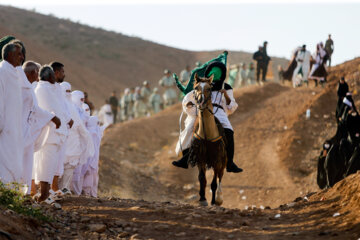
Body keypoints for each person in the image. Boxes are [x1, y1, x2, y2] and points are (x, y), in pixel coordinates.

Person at [172, 61, 243, 173]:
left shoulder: (226, 87)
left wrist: (225, 94)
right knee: (191, 128)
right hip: (201, 110)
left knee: (229, 131)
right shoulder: (202, 84)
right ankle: (185, 159)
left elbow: (232, 107)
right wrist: (189, 105)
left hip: (219, 112)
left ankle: (230, 163)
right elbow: (188, 98)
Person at [21, 61, 60, 194]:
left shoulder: (30, 88)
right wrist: (52, 117)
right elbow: (36, 110)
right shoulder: (27, 87)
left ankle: (25, 193)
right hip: (17, 131)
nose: (39, 76)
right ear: (32, 73)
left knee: (27, 164)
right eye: (37, 72)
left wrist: (51, 117)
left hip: (27, 131)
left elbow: (34, 109)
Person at [33, 66, 71, 202]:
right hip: (48, 135)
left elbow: (60, 108)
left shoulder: (52, 89)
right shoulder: (42, 90)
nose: (56, 79)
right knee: (45, 165)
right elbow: (46, 111)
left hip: (57, 135)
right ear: (49, 77)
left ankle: (47, 193)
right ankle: (43, 195)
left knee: (51, 166)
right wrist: (55, 119)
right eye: (54, 77)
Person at [59, 82, 94, 193]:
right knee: (58, 167)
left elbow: (79, 125)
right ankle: (56, 189)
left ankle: (65, 188)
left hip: (73, 143)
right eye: (66, 91)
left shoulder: (74, 108)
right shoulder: (58, 105)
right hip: (61, 142)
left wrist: (86, 137)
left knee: (70, 167)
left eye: (70, 91)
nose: (68, 94)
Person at [0, 42, 25, 184]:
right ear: (9, 55)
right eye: (19, 54)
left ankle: (11, 198)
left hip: (14, 130)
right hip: (4, 129)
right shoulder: (2, 71)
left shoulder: (13, 73)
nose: (22, 57)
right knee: (4, 164)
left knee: (14, 163)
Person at [50, 61, 73, 193]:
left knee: (58, 160)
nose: (64, 74)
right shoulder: (49, 88)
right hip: (54, 129)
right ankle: (47, 189)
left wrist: (69, 120)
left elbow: (62, 108)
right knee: (50, 160)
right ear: (56, 72)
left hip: (63, 129)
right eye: (63, 72)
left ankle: (54, 187)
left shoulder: (57, 88)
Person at [81, 116, 102, 197]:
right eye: (97, 123)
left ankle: (92, 194)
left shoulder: (94, 132)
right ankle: (87, 193)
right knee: (89, 177)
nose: (98, 125)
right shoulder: (93, 133)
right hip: (90, 158)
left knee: (92, 177)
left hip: (93, 158)